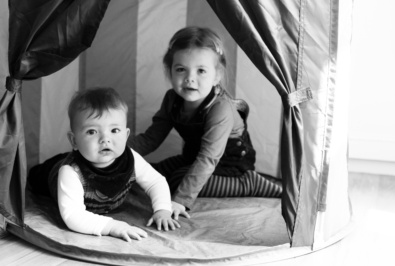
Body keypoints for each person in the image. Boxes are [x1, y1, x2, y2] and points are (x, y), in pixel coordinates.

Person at [129, 26, 282, 211]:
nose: (189, 78)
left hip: (229, 165)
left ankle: (251, 183)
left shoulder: (220, 107)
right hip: (193, 158)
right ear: (170, 72)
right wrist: (118, 151)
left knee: (178, 180)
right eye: (181, 70)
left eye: (201, 71)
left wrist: (180, 200)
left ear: (216, 76)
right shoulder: (172, 100)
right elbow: (150, 139)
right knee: (150, 174)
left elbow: (208, 158)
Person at [28, 87, 189, 242]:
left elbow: (156, 181)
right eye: (92, 131)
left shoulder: (130, 157)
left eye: (114, 131)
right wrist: (112, 226)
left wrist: (163, 209)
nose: (105, 139)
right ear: (74, 140)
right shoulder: (70, 172)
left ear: (126, 136)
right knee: (34, 176)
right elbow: (73, 216)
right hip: (49, 173)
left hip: (91, 166)